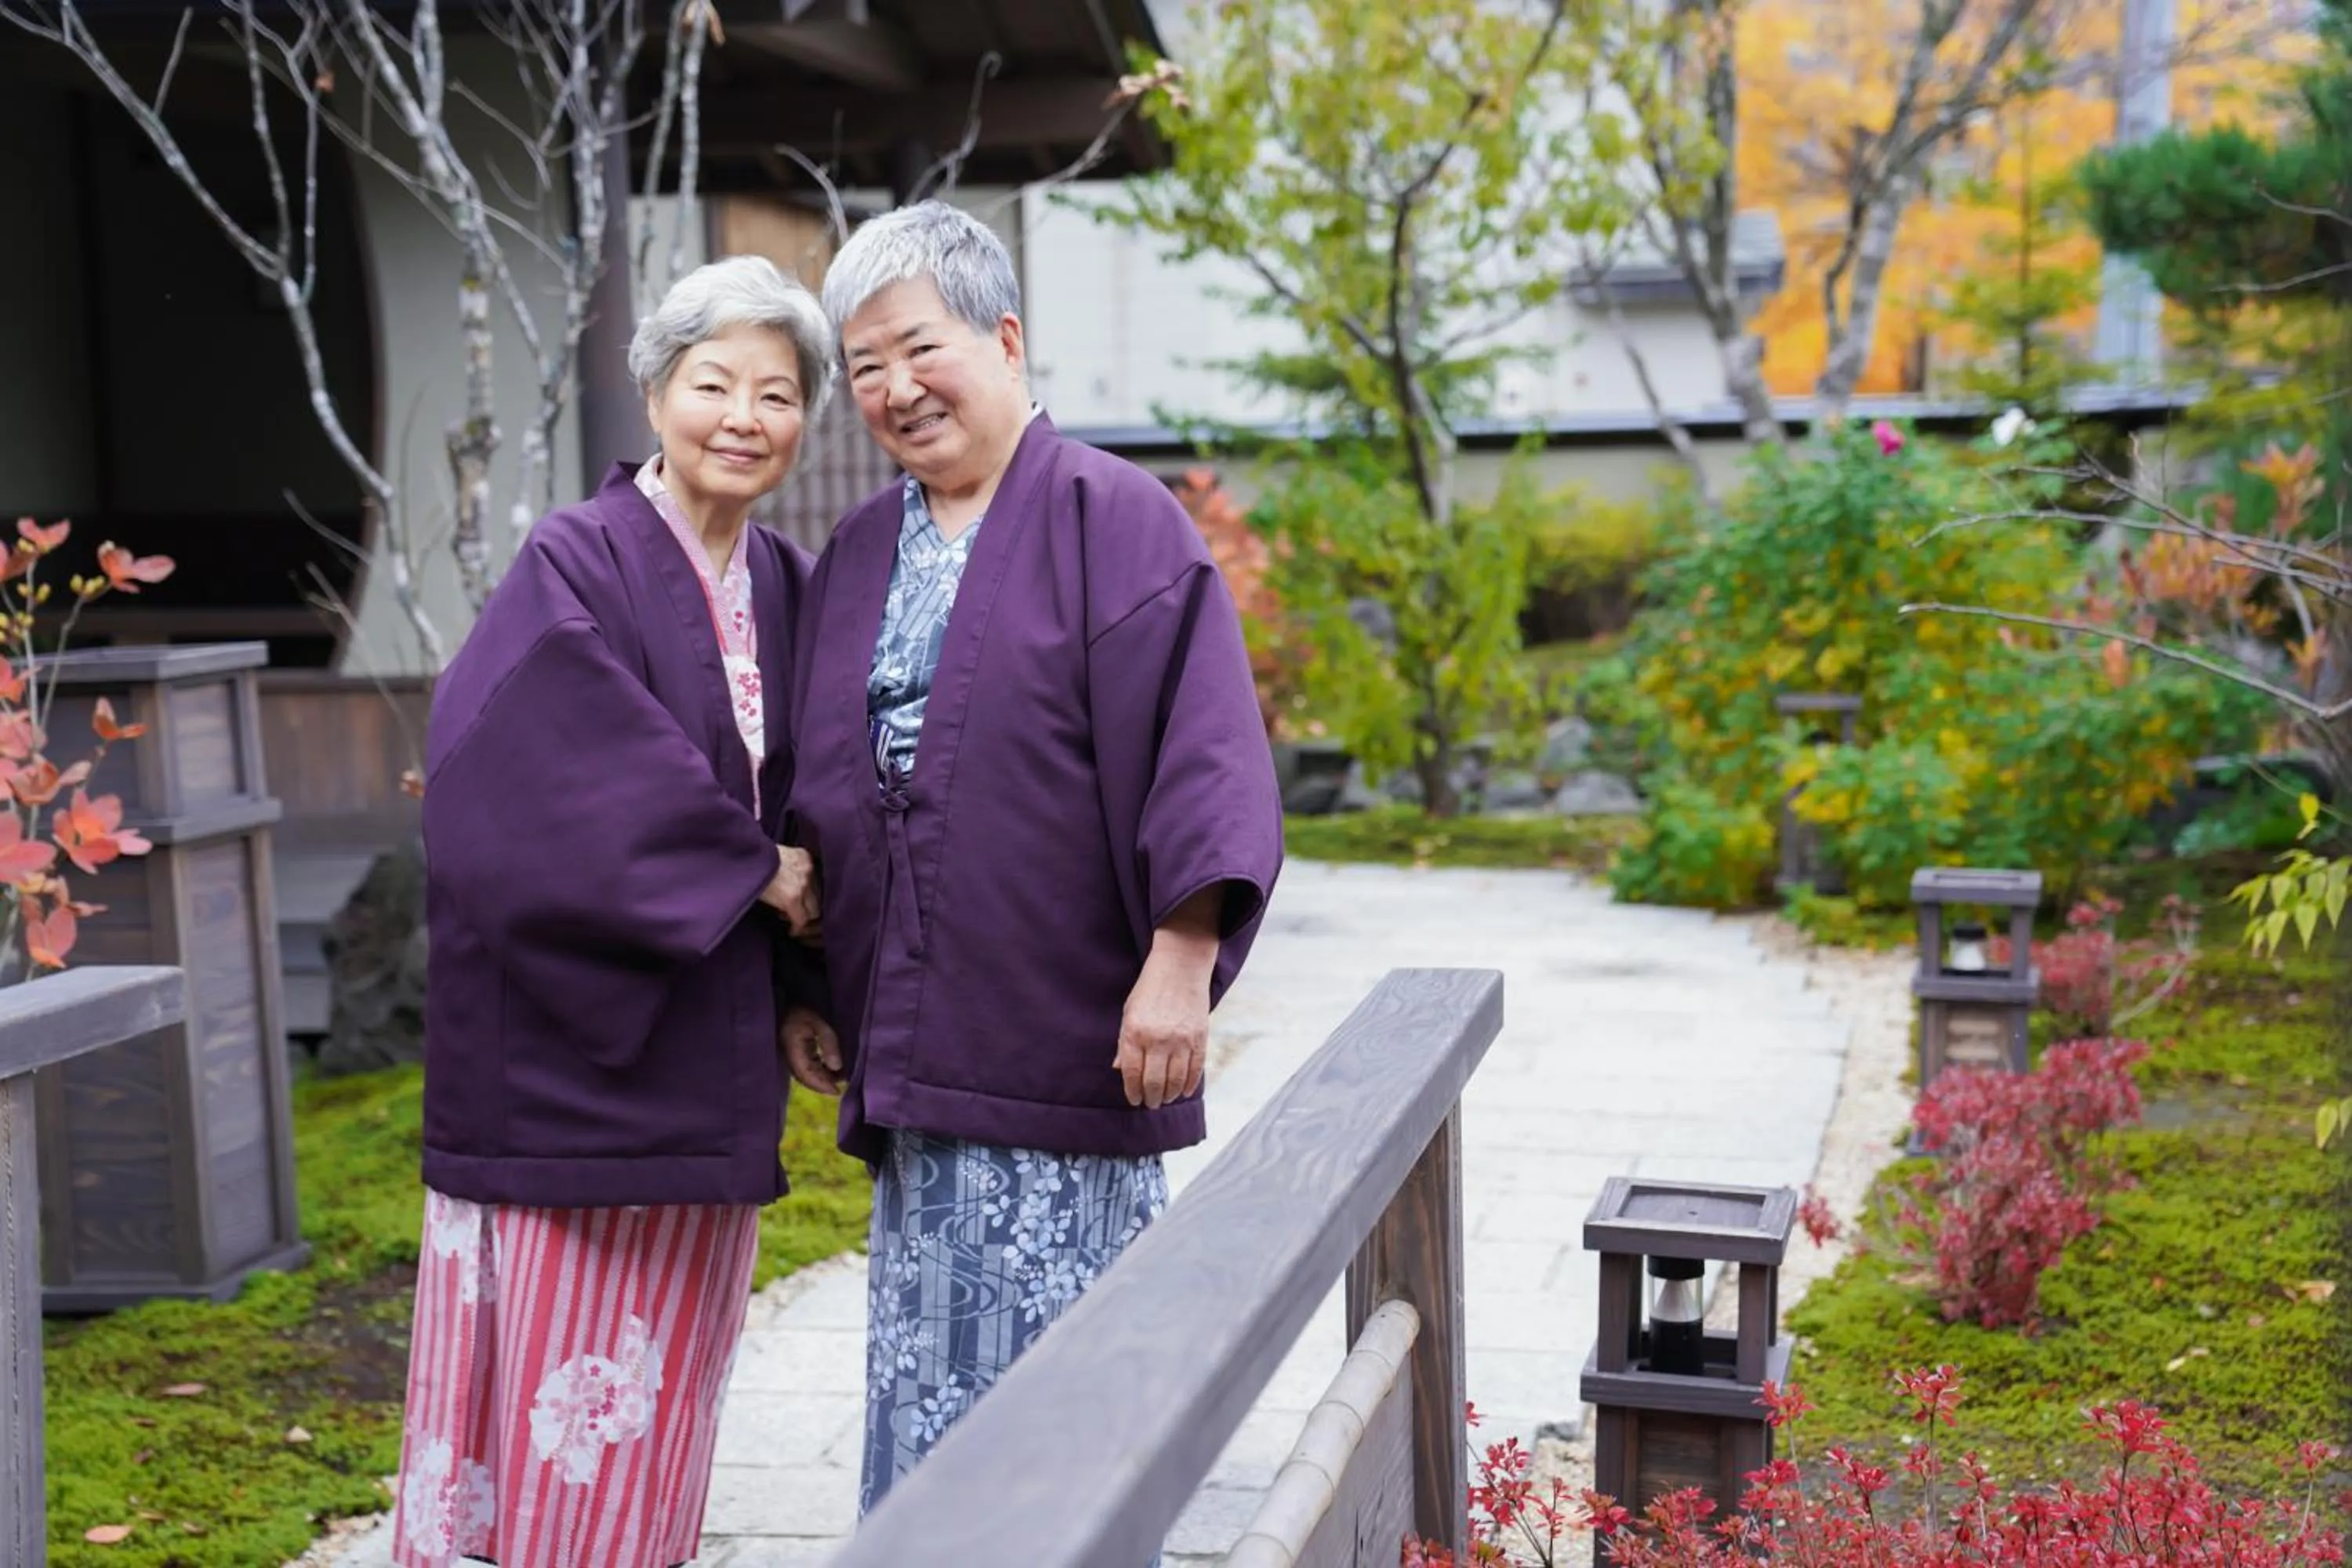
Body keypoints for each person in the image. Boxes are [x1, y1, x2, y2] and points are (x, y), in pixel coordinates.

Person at [784, 201, 1285, 1519]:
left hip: (1065, 1037)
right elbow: (809, 787)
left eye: (916, 348)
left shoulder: (1114, 520)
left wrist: (1181, 961)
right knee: (925, 1380)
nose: (893, 389)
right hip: (913, 1037)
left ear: (1004, 338)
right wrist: (806, 978)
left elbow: (1208, 753)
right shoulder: (859, 552)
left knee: (1070, 1394)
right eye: (863, 367)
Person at [390, 255, 840, 1568]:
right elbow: (527, 763)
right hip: (560, 1064)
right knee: (555, 1409)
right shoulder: (573, 560)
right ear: (655, 393)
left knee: (656, 1417)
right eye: (714, 384)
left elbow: (821, 806)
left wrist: (804, 995)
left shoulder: (791, 586)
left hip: (704, 1048)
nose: (743, 417)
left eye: (776, 392)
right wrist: (745, 866)